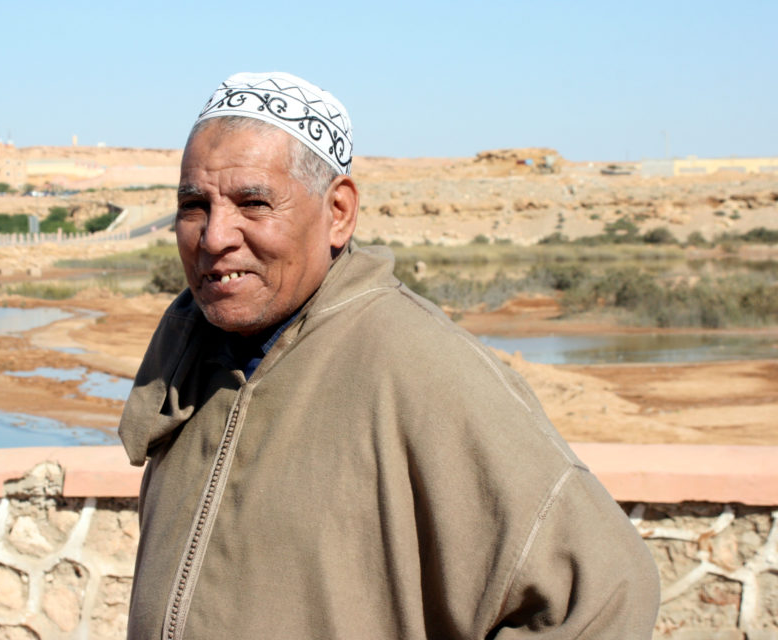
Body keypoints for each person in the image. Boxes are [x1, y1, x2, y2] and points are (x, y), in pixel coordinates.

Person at [119, 71, 660, 639]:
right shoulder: (191, 358)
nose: (214, 236)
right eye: (193, 204)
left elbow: (611, 589)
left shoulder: (418, 364)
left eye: (254, 203)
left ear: (338, 213)